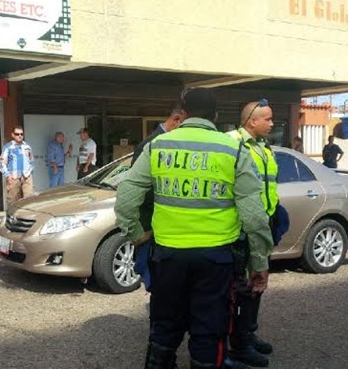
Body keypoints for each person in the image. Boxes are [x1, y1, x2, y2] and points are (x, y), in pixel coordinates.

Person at [115, 87, 273, 369]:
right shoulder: (233, 149)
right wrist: (259, 262)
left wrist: (135, 234)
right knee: (210, 327)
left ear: (184, 113)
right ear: (214, 115)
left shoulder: (159, 145)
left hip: (167, 255)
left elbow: (126, 195)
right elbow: (254, 214)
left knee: (164, 322)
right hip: (216, 258)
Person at [227, 99, 281, 368]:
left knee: (256, 284)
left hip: (262, 222)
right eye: (268, 119)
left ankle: (248, 332)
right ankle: (239, 344)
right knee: (243, 287)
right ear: (252, 120)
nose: (272, 123)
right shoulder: (233, 143)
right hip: (242, 228)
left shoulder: (262, 146)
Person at [131, 103, 187, 290]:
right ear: (177, 119)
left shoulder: (171, 143)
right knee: (158, 286)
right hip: (152, 230)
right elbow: (140, 191)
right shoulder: (151, 144)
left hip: (167, 231)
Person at [0, 126, 35, 207]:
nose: (20, 136)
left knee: (29, 199)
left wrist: (29, 172)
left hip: (27, 176)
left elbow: (32, 161)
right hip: (13, 177)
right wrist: (7, 175)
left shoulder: (27, 146)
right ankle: (13, 218)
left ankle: (27, 217)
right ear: (13, 135)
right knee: (12, 201)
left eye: (21, 134)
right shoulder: (8, 147)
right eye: (17, 134)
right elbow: (1, 162)